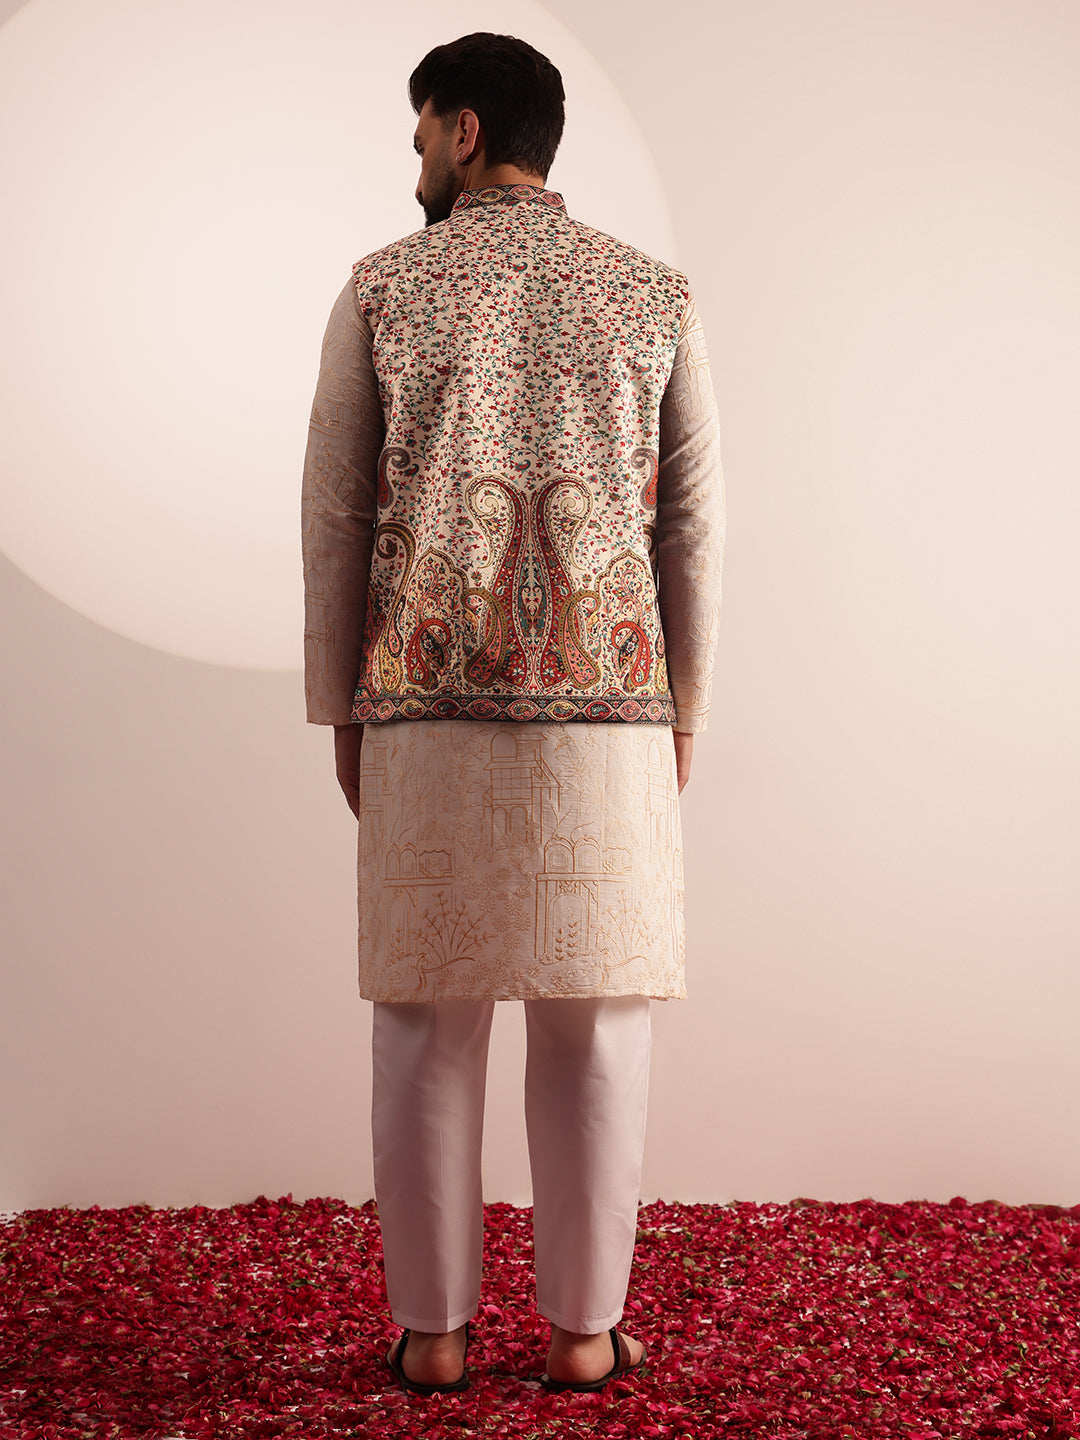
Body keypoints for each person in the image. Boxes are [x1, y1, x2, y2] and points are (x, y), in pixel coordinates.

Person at [301, 32, 725, 1396]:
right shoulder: (652, 294)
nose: (417, 156)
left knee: (425, 1020)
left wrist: (338, 708)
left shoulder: (383, 289)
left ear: (468, 130)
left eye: (424, 130)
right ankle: (584, 1332)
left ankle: (433, 1335)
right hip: (609, 717)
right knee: (595, 1025)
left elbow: (335, 514)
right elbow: (693, 524)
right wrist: (684, 710)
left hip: (422, 706)